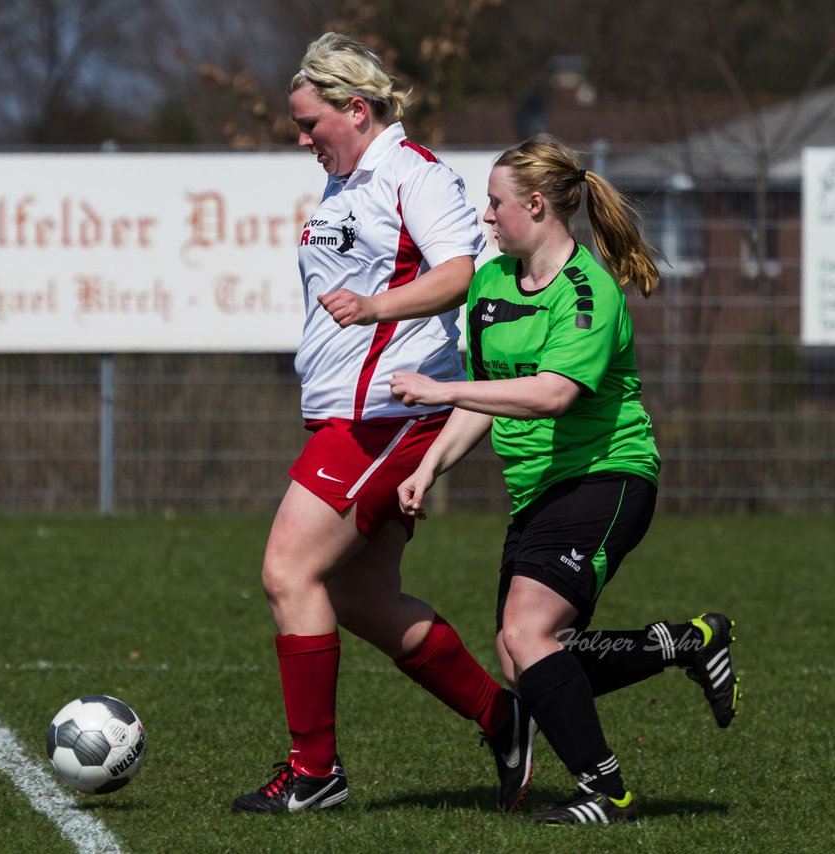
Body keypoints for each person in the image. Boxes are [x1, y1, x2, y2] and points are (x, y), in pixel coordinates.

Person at [392, 135, 741, 824]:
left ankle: (604, 791)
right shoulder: (491, 284)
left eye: (495, 203)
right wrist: (429, 466)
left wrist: (438, 389)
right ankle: (687, 643)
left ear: (536, 205)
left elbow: (552, 395)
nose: (485, 218)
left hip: (607, 477)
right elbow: (489, 396)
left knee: (527, 637)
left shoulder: (589, 291)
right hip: (540, 491)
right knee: (525, 658)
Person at [230, 32, 531, 814]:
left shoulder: (413, 174)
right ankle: (506, 717)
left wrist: (378, 307)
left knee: (287, 573)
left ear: (355, 110)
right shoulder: (345, 183)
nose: (301, 138)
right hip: (348, 416)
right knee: (361, 599)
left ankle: (314, 772)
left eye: (310, 123)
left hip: (389, 416)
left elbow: (458, 274)